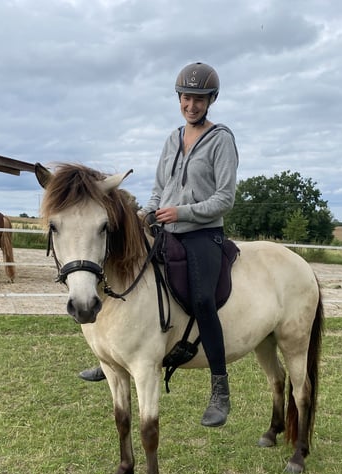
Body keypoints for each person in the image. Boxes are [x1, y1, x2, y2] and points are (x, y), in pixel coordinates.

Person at [79, 62, 239, 427]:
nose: (191, 105)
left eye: (199, 99)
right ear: (178, 99)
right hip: (165, 228)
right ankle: (115, 356)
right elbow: (158, 190)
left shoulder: (221, 140)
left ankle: (220, 388)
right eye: (186, 97)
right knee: (121, 273)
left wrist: (181, 212)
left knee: (201, 298)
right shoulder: (171, 139)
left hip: (202, 233)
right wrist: (147, 214)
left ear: (210, 100)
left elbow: (224, 198)